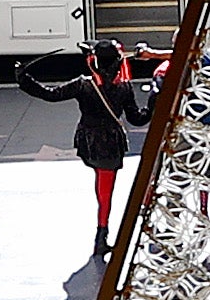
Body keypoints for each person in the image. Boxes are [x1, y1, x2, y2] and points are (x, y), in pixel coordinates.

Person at [14, 39, 152, 251]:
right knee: (106, 190)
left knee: (101, 183)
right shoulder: (124, 88)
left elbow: (50, 94)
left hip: (88, 142)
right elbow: (137, 119)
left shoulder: (83, 84)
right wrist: (154, 101)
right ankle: (101, 234)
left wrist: (24, 79)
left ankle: (101, 235)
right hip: (111, 144)